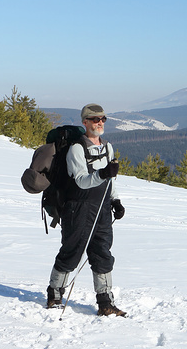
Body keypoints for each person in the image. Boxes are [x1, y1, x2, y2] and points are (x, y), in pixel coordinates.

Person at [47, 103, 127, 316]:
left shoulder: (107, 147)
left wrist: (116, 200)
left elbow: (111, 179)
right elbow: (81, 181)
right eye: (94, 119)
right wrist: (103, 174)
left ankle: (105, 302)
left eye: (102, 119)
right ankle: (55, 293)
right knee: (72, 251)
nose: (99, 122)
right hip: (78, 207)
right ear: (85, 122)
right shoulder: (76, 149)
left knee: (102, 253)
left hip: (102, 207)